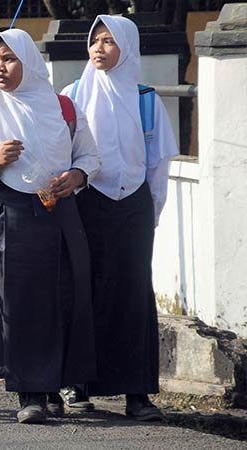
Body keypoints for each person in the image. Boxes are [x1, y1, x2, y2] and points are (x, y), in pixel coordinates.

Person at [0, 28, 100, 424]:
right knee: (20, 305)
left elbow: (89, 155)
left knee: (65, 298)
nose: (0, 67)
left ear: (30, 63)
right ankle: (29, 394)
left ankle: (57, 388)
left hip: (59, 214)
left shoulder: (64, 108)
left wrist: (78, 176)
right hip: (7, 216)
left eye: (9, 59)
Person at [57, 15, 179, 422]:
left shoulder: (146, 99)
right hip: (86, 201)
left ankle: (136, 392)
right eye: (95, 40)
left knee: (132, 295)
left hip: (134, 207)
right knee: (82, 288)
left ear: (127, 47)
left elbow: (158, 164)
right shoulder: (72, 95)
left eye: (109, 41)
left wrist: (151, 213)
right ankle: (77, 385)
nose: (98, 48)